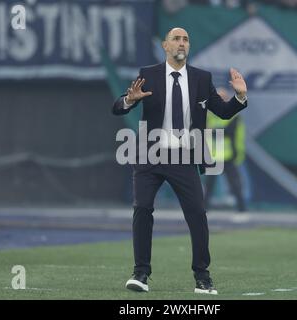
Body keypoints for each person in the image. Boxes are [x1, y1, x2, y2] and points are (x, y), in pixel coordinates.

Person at [112, 27, 248, 294]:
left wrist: (240, 97)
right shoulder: (148, 74)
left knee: (197, 214)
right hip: (150, 155)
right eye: (176, 38)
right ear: (165, 46)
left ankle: (202, 277)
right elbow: (117, 107)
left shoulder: (200, 78)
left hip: (184, 156)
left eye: (186, 38)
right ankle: (140, 274)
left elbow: (221, 112)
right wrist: (129, 99)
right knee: (142, 209)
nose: (181, 42)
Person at [204, 87, 247, 212]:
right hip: (212, 155)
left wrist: (211, 130)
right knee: (209, 185)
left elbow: (228, 132)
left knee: (235, 184)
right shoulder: (209, 114)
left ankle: (242, 209)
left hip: (228, 155)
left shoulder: (233, 115)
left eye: (223, 97)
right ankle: (203, 209)